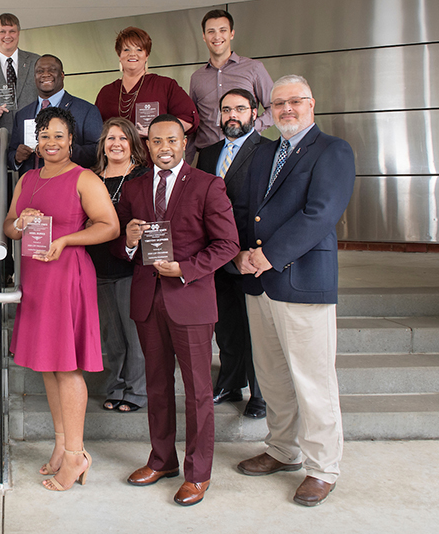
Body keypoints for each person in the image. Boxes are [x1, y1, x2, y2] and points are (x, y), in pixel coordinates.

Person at [234, 75, 355, 507]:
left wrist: (267, 255)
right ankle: (282, 450)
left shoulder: (332, 151)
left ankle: (322, 468)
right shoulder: (263, 150)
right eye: (279, 102)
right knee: (271, 376)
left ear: (312, 104)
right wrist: (242, 254)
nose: (287, 108)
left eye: (295, 101)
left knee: (313, 378)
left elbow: (319, 214)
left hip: (302, 279)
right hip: (258, 281)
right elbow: (247, 211)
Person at [114, 114, 239, 506]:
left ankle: (198, 473)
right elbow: (122, 249)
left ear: (185, 143)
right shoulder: (133, 189)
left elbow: (227, 245)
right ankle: (162, 459)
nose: (163, 147)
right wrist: (130, 241)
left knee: (199, 391)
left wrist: (185, 269)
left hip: (190, 300)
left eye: (171, 140)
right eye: (155, 141)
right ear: (147, 145)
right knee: (157, 386)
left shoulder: (208, 185)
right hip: (148, 301)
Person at [3, 107, 119, 492]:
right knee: (48, 366)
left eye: (59, 135)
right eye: (45, 135)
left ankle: (76, 455)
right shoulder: (28, 177)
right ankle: (60, 443)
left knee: (66, 366)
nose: (51, 142)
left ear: (71, 140)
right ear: (37, 140)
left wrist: (67, 238)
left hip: (67, 274)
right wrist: (20, 224)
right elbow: (8, 224)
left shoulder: (83, 178)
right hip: (36, 278)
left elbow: (109, 226)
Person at [196, 88, 272, 418]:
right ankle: (229, 382)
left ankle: (261, 394)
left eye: (240, 109)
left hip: (252, 255)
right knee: (226, 324)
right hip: (217, 254)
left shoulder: (268, 151)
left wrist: (247, 251)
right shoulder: (209, 151)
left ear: (254, 114)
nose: (232, 115)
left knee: (255, 328)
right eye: (226, 109)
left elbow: (270, 206)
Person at [85, 118, 149, 414]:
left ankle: (136, 391)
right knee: (112, 335)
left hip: (130, 265)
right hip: (97, 265)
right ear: (103, 145)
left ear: (133, 144)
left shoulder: (143, 176)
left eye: (123, 138)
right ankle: (116, 386)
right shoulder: (91, 177)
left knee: (133, 333)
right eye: (111, 138)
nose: (116, 144)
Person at [188, 9, 274, 163]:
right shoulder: (197, 78)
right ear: (204, 36)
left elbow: (275, 107)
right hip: (207, 156)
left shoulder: (254, 68)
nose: (217, 36)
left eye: (223, 30)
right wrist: (187, 162)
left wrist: (253, 127)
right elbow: (193, 122)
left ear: (232, 34)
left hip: (246, 154)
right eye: (211, 31)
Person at [94, 27, 198, 143]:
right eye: (126, 50)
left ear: (147, 55)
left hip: (152, 158)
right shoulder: (106, 92)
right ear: (119, 55)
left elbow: (189, 120)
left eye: (139, 50)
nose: (132, 54)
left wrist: (156, 131)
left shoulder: (165, 85)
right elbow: (95, 130)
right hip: (116, 158)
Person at [9, 54, 103, 174]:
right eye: (40, 71)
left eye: (52, 70)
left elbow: (98, 151)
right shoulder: (22, 114)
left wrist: (65, 150)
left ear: (62, 75)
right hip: (32, 185)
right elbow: (11, 155)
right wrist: (17, 157)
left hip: (70, 184)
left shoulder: (87, 110)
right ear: (34, 77)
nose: (45, 74)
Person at [0, 13, 40, 156]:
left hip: (32, 146)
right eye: (2, 32)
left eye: (12, 31)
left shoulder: (37, 62)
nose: (7, 36)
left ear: (18, 33)